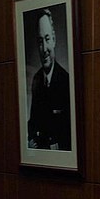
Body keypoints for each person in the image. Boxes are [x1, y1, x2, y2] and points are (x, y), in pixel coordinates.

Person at [27, 8, 71, 150]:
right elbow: (32, 123)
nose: (44, 48)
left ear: (54, 40)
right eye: (40, 41)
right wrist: (31, 140)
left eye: (47, 39)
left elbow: (69, 133)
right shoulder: (37, 79)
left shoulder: (66, 81)